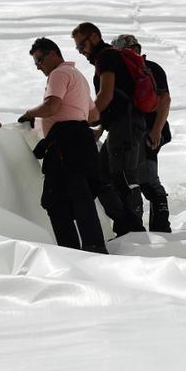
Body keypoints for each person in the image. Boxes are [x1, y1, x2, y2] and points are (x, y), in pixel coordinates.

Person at [18, 38, 107, 253]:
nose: (38, 66)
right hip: (81, 141)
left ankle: (70, 252)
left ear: (53, 55)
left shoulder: (58, 74)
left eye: (39, 60)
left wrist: (30, 114)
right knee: (80, 196)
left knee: (56, 201)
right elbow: (94, 114)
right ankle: (93, 247)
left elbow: (52, 106)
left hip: (65, 145)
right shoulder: (78, 76)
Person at [71, 22, 146, 236]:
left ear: (94, 37)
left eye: (82, 45)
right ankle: (124, 225)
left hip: (126, 126)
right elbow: (119, 101)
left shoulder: (106, 57)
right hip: (123, 125)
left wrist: (83, 119)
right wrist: (101, 125)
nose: (81, 51)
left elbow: (106, 95)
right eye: (78, 48)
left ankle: (133, 230)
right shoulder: (108, 57)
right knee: (103, 174)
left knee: (121, 176)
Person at [111, 34, 172, 233]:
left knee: (146, 180)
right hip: (141, 132)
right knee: (141, 178)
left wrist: (156, 130)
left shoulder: (146, 69)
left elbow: (164, 101)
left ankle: (159, 228)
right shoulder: (149, 68)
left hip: (146, 132)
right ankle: (158, 227)